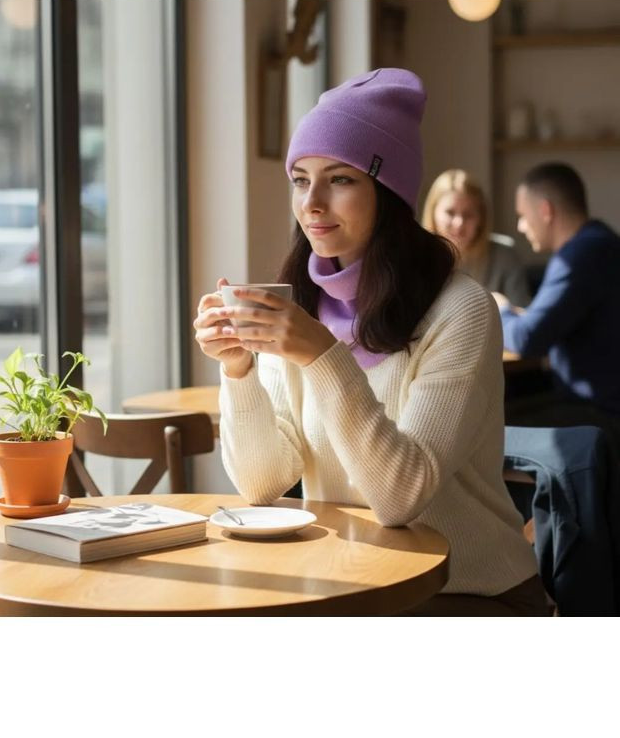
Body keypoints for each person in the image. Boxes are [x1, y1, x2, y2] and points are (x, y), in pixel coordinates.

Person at [194, 68, 547, 616]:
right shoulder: (304, 306)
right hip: (351, 584)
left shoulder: (461, 311)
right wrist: (238, 371)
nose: (311, 203)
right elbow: (264, 486)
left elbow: (399, 496)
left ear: (388, 191)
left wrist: (321, 356)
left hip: (466, 592)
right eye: (300, 179)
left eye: (340, 179)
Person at [494, 162, 620, 451]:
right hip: (595, 404)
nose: (521, 226)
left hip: (599, 413)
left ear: (546, 211)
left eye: (523, 216)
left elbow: (526, 340)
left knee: (484, 433)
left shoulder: (580, 257)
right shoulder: (598, 243)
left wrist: (498, 308)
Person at [422, 168, 531, 307]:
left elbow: (524, 319)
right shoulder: (417, 257)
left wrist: (503, 307)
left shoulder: (505, 256)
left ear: (481, 218)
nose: (459, 223)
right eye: (450, 213)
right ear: (433, 213)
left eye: (468, 215)